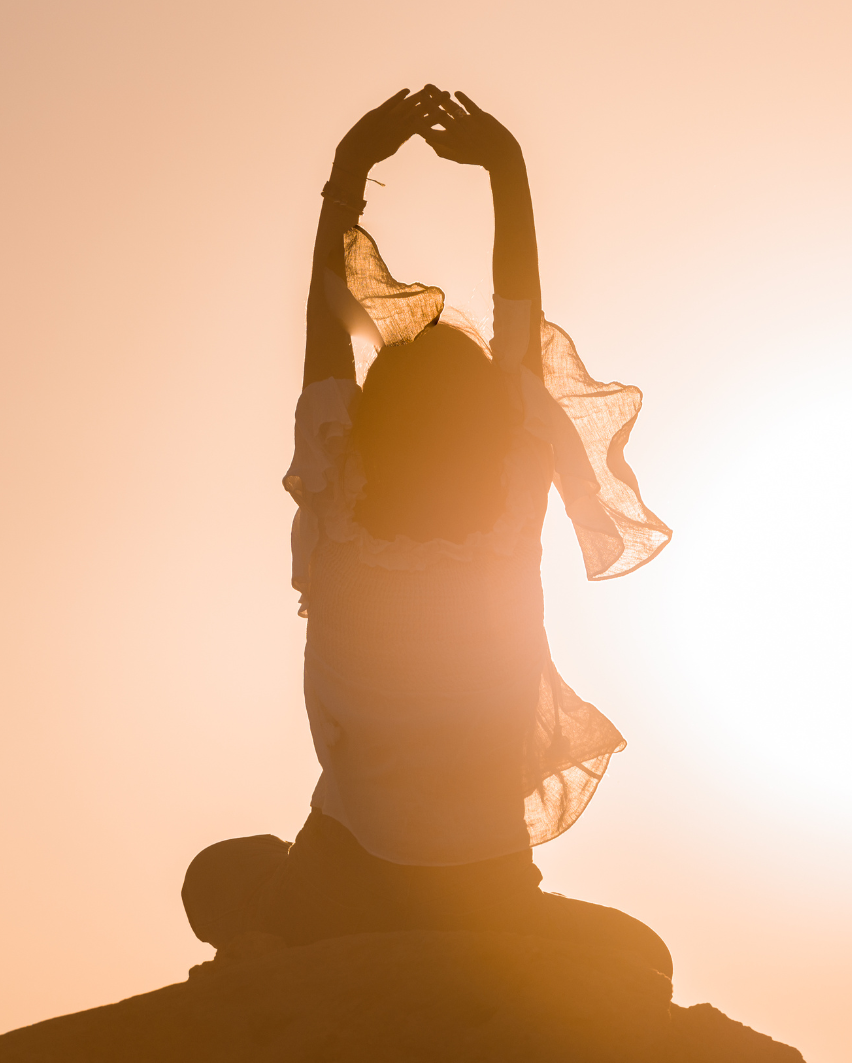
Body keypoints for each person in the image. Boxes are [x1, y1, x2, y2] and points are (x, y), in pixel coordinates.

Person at [181, 87, 674, 978]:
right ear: (495, 424)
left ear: (372, 420)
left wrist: (348, 177)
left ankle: (286, 935)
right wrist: (506, 171)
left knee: (222, 875)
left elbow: (326, 329)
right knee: (641, 958)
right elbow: (518, 323)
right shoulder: (510, 510)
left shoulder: (337, 503)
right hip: (485, 886)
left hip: (341, 879)